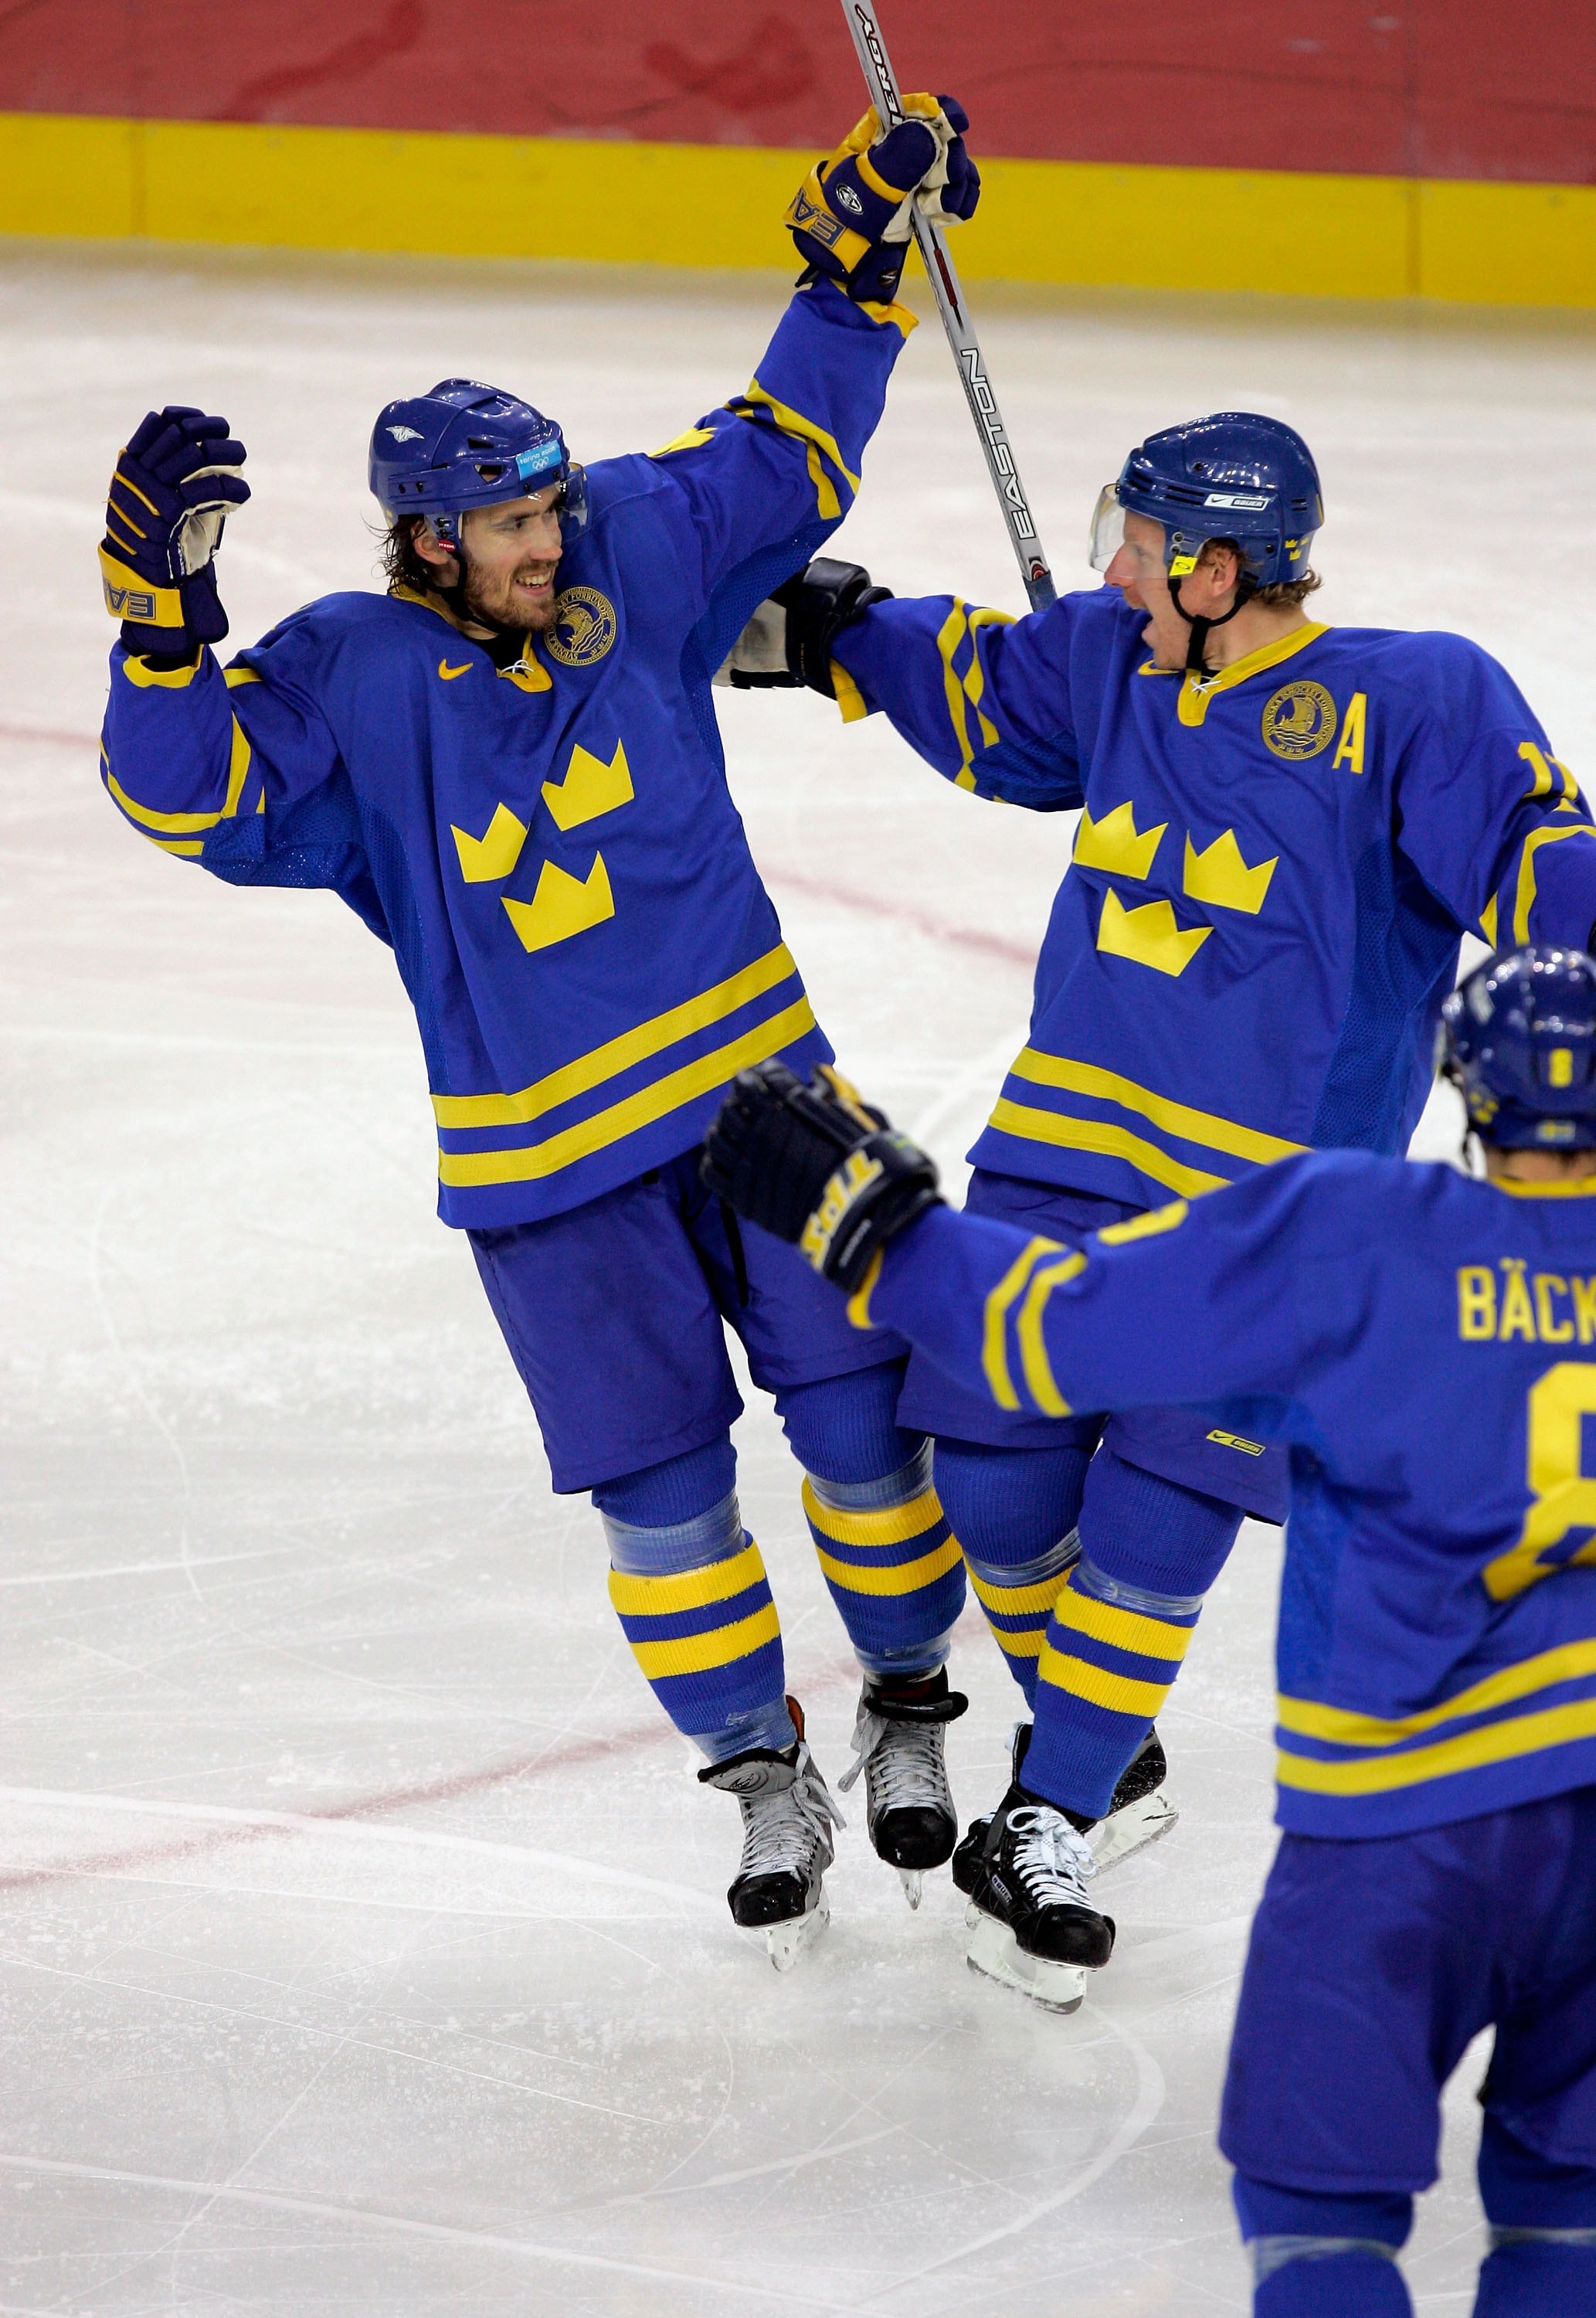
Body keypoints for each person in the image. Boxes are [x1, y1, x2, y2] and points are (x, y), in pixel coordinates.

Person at [93, 98, 983, 1966]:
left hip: (766, 1106)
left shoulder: (629, 559)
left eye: (549, 505)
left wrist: (850, 266)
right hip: (548, 1175)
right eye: (506, 520)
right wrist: (163, 631)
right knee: (662, 1496)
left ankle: (909, 1713)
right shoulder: (347, 670)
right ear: (424, 539)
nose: (544, 539)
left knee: (861, 1425)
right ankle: (757, 1770)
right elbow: (193, 802)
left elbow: (783, 457)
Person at [722, 413, 1596, 1956]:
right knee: (991, 1476)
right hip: (1062, 1143)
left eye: (1137, 547)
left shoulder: (1413, 693)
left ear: (1216, 566)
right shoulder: (1110, 658)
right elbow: (980, 687)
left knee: (1165, 1508)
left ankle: (1048, 1814)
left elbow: (1537, 863)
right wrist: (838, 629)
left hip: (1268, 1200)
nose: (1111, 566)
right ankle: (1100, 1745)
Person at [704, 942, 1596, 2316]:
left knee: (1321, 2227)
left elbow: (1038, 1337)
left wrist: (869, 1224)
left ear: (1463, 1089)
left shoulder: (1351, 1234)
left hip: (1394, 1839)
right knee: (1567, 2229)